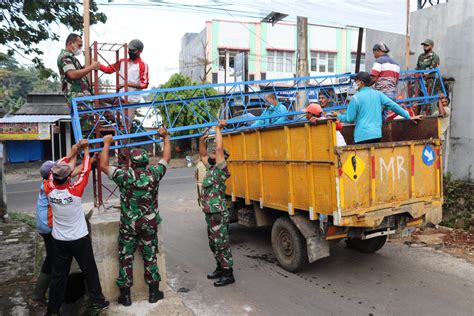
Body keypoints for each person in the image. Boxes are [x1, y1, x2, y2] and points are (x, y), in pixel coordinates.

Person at [99, 129, 171, 306]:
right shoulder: (154, 174)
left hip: (128, 226)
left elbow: (103, 166)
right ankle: (154, 293)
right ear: (146, 162)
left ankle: (125, 297)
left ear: (131, 163)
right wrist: (166, 137)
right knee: (150, 256)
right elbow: (166, 158)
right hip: (148, 224)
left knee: (125, 258)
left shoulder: (125, 176)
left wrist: (107, 143)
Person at [44, 140, 109, 315]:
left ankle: (52, 311)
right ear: (68, 178)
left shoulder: (48, 188)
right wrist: (86, 150)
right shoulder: (75, 191)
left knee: (58, 277)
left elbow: (54, 169)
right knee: (90, 271)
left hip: (59, 241)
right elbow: (86, 170)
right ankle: (98, 301)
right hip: (79, 239)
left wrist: (72, 152)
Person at [32, 144, 84, 305]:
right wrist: (89, 161)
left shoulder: (48, 181)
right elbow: (71, 171)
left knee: (53, 257)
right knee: (54, 260)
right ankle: (39, 295)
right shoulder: (52, 184)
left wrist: (75, 151)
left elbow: (67, 168)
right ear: (52, 174)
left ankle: (43, 293)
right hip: (48, 226)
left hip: (42, 224)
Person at [338, 72, 422, 144]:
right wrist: (408, 116)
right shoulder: (378, 94)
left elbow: (349, 118)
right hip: (376, 135)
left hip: (362, 136)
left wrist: (338, 116)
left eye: (356, 81)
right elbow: (393, 105)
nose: (354, 84)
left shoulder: (356, 98)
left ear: (361, 83)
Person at [198, 121, 235, 287]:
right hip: (210, 213)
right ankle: (220, 268)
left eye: (216, 153)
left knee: (222, 244)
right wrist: (201, 140)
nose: (213, 152)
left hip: (218, 213)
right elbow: (202, 156)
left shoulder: (221, 169)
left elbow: (219, 149)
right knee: (213, 243)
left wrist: (218, 129)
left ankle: (228, 274)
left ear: (222, 158)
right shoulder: (211, 169)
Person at [57, 33, 100, 132]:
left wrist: (89, 64)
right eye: (79, 45)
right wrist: (91, 67)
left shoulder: (72, 58)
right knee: (85, 132)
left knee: (88, 129)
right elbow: (72, 74)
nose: (80, 48)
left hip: (82, 98)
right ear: (70, 43)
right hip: (78, 98)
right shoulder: (65, 57)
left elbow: (80, 72)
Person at [99, 39, 149, 121]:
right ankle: (110, 115)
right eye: (129, 49)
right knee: (97, 96)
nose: (130, 52)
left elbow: (145, 84)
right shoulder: (122, 62)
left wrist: (127, 84)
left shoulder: (143, 65)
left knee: (125, 128)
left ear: (140, 51)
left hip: (131, 101)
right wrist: (97, 65)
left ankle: (116, 121)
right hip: (119, 97)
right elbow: (109, 70)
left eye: (133, 50)